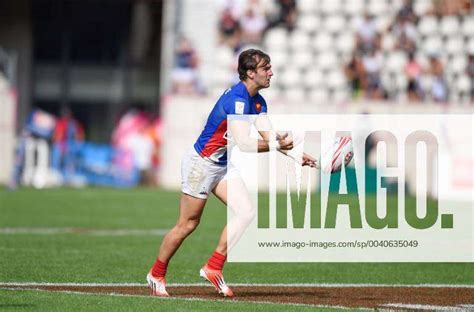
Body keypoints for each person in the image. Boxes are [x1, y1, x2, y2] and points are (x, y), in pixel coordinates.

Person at [146, 49, 317, 297]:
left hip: (222, 165)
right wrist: (279, 145)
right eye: (265, 68)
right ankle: (156, 273)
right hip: (201, 164)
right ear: (250, 73)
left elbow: (268, 137)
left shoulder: (258, 101)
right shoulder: (237, 98)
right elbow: (245, 144)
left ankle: (213, 267)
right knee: (188, 224)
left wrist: (296, 155)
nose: (271, 72)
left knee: (246, 212)